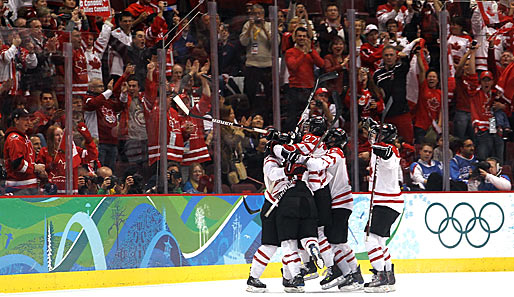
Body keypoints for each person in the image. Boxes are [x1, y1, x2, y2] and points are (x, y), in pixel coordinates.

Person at [303, 128, 364, 291]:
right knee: (339, 243)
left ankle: (352, 275)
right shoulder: (334, 151)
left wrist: (301, 157)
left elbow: (318, 164)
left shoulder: (336, 152)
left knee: (338, 243)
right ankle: (354, 274)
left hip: (340, 202)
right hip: (339, 202)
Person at [364, 123, 403, 293]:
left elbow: (388, 158)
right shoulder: (380, 148)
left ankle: (381, 276)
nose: (371, 136)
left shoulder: (390, 150)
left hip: (386, 202)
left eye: (375, 134)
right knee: (380, 241)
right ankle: (388, 274)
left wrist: (377, 144)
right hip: (385, 202)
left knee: (370, 239)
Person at [37, 123, 98, 194]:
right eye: (57, 135)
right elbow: (40, 172)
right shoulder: (44, 151)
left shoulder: (73, 150)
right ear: (51, 138)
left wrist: (89, 140)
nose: (61, 137)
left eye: (62, 134)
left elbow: (93, 155)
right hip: (51, 192)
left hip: (70, 192)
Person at [284, 26, 324, 132]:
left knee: (309, 114)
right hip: (295, 88)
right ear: (295, 38)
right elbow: (293, 66)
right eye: (299, 36)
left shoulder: (311, 51)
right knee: (292, 116)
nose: (302, 38)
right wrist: (304, 54)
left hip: (309, 88)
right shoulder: (290, 52)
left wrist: (310, 51)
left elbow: (321, 64)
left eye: (304, 36)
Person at [373, 45, 414, 144]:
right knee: (386, 143)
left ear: (396, 57)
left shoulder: (400, 69)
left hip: (402, 113)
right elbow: (374, 92)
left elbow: (406, 64)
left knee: (407, 142)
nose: (389, 57)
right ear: (382, 57)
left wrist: (404, 57)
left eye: (391, 55)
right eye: (386, 55)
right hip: (386, 115)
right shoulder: (377, 75)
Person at [3, 108, 46, 195]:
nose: (28, 122)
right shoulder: (15, 139)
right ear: (16, 120)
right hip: (20, 188)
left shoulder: (23, 137)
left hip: (27, 186)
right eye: (25, 120)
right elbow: (17, 165)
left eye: (29, 120)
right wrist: (34, 168)